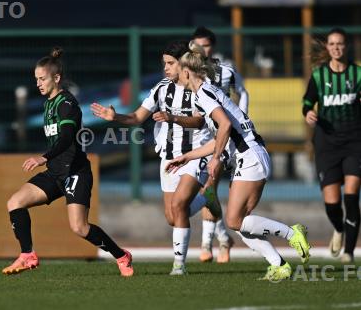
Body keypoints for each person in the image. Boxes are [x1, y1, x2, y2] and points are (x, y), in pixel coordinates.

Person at [166, 43, 311, 281]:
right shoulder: (207, 92)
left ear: (187, 72)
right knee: (241, 224)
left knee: (235, 220)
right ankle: (279, 265)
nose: (174, 74)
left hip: (250, 156)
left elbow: (223, 125)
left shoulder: (203, 94)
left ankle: (291, 232)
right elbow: (220, 136)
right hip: (250, 155)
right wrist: (187, 157)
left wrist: (214, 161)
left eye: (177, 69)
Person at [91, 40, 224, 275]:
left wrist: (172, 117)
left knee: (179, 204)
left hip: (194, 154)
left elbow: (200, 120)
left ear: (183, 64)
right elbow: (137, 117)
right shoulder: (161, 88)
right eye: (164, 63)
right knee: (173, 217)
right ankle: (207, 198)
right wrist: (115, 117)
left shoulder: (200, 86)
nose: (166, 68)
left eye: (170, 63)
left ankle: (179, 266)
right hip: (169, 157)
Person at [2, 48, 133, 277]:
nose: (39, 84)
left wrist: (43, 157)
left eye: (42, 79)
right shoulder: (48, 105)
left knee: (79, 228)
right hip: (55, 173)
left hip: (75, 171)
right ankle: (27, 255)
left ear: (57, 78)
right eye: (36, 79)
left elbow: (66, 138)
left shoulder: (67, 104)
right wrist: (49, 162)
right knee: (15, 203)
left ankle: (121, 256)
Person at [191, 26, 249, 263]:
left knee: (209, 188)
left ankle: (206, 245)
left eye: (205, 45)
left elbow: (243, 92)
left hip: (220, 139)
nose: (200, 49)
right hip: (196, 141)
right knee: (204, 192)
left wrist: (242, 119)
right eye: (196, 45)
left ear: (212, 47)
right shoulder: (188, 73)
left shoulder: (224, 71)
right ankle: (224, 237)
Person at [302, 28, 361, 263]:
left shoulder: (357, 74)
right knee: (332, 204)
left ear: (346, 47)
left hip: (354, 142)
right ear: (327, 48)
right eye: (332, 44)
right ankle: (338, 228)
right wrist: (308, 113)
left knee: (351, 196)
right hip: (327, 144)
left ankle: (348, 252)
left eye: (340, 44)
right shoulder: (319, 76)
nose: (337, 48)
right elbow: (307, 102)